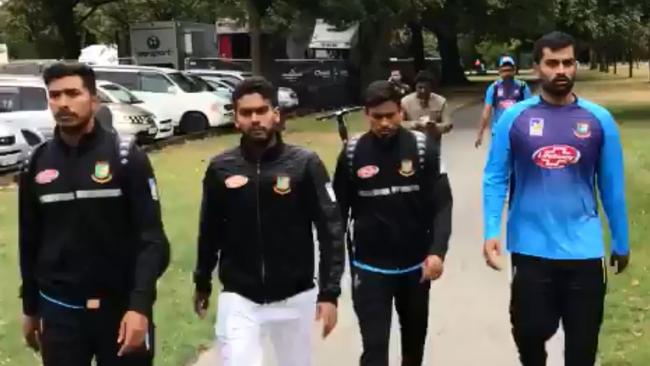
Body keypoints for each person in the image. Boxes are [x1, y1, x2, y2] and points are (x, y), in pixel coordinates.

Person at [482, 31, 630, 366]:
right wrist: (492, 230)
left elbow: (612, 186)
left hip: (584, 249)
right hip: (531, 249)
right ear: (536, 68)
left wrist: (621, 240)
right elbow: (495, 177)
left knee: (583, 347)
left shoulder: (598, 120)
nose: (561, 70)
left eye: (567, 62)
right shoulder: (514, 118)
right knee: (530, 332)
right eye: (552, 63)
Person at [18, 62, 170, 366]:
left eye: (73, 93)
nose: (63, 103)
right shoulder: (35, 163)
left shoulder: (126, 157)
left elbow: (152, 240)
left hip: (120, 310)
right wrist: (31, 308)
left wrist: (139, 307)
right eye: (55, 95)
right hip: (60, 311)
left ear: (94, 99)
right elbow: (29, 240)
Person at [192, 76, 345, 366]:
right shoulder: (221, 168)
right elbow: (209, 228)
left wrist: (330, 293)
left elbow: (331, 230)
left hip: (295, 295)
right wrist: (202, 280)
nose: (255, 119)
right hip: (240, 296)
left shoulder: (305, 164)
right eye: (246, 113)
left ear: (275, 113)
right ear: (235, 118)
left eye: (261, 111)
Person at [333, 80, 453, 366]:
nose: (385, 123)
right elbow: (337, 214)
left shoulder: (424, 150)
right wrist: (332, 270)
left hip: (416, 267)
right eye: (377, 117)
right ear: (366, 114)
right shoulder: (352, 154)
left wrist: (437, 252)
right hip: (370, 267)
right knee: (374, 350)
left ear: (401, 112)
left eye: (390, 115)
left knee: (413, 347)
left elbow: (443, 205)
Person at [475, 55, 532, 148]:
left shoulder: (522, 87)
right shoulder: (494, 88)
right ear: (499, 72)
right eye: (504, 71)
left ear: (514, 71)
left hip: (518, 130)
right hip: (499, 130)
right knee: (499, 159)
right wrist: (480, 133)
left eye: (510, 70)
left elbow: (530, 110)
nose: (507, 73)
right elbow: (487, 111)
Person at [401, 70, 453, 145]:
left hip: (432, 142)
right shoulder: (405, 102)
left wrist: (435, 126)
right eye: (420, 87)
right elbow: (398, 124)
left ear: (431, 88)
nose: (422, 91)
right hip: (411, 142)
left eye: (426, 88)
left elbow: (448, 124)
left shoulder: (441, 101)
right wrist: (415, 124)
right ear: (415, 86)